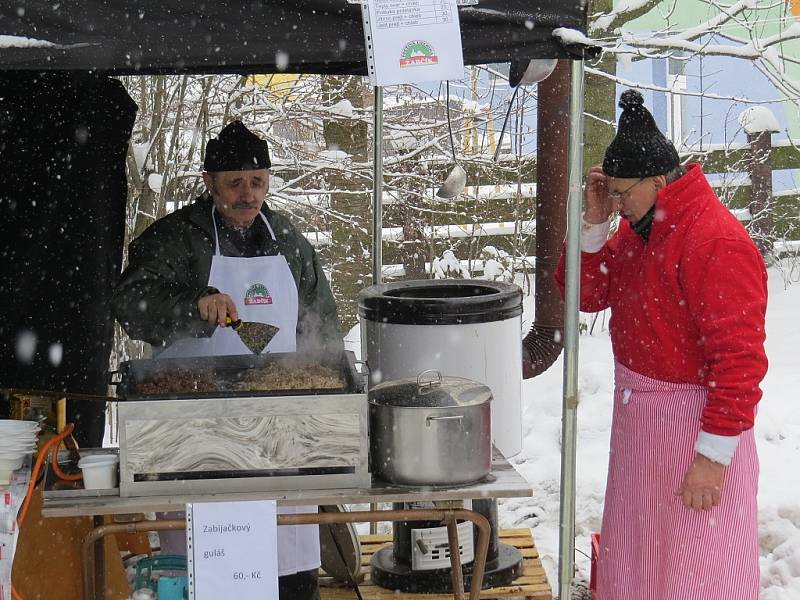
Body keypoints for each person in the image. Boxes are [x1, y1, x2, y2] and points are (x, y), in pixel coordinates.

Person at [112, 120, 342, 600]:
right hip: (196, 422)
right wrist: (193, 306)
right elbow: (131, 303)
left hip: (280, 426)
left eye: (257, 182)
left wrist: (329, 402)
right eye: (234, 182)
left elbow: (320, 322)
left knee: (288, 561)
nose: (247, 194)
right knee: (207, 563)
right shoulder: (176, 238)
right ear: (208, 182)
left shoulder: (288, 240)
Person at [556, 90, 768, 600]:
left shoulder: (714, 240)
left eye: (623, 193)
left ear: (658, 181)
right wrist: (594, 220)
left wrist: (712, 459)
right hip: (642, 428)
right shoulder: (642, 227)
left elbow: (739, 363)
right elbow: (586, 295)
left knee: (699, 572)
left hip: (696, 426)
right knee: (642, 559)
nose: (619, 203)